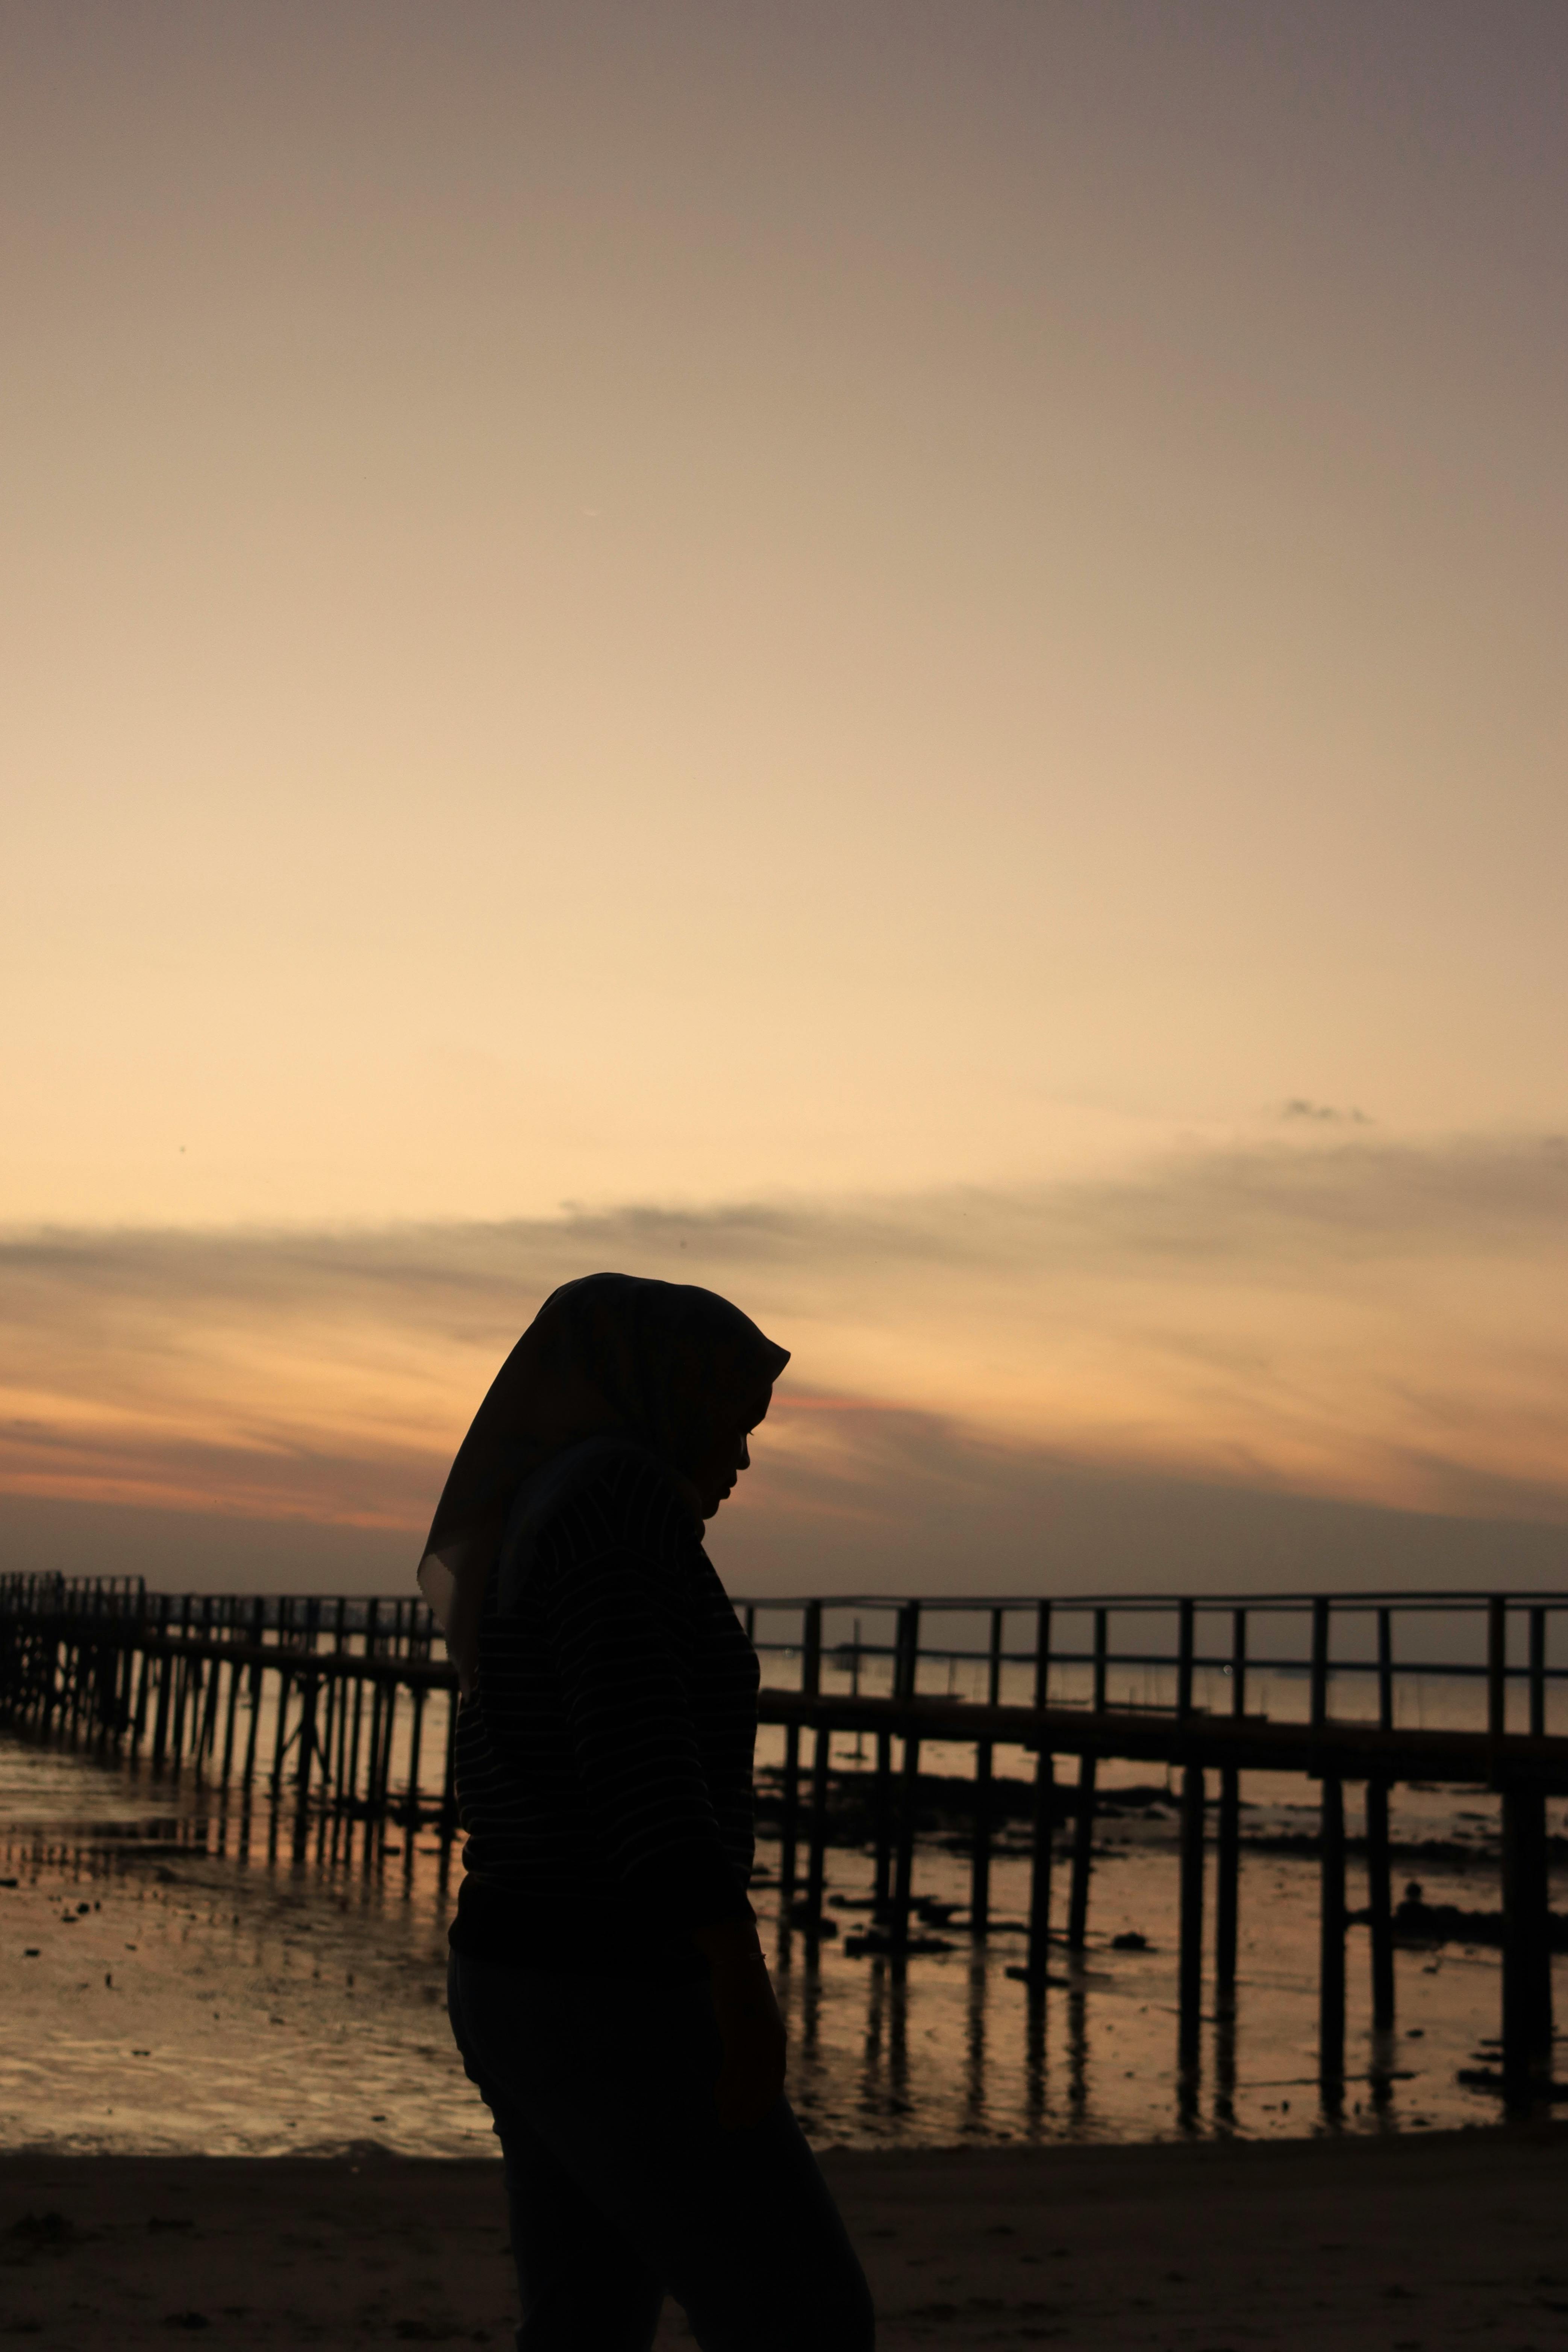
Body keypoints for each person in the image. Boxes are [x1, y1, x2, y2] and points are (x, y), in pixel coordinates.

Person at [418, 1271, 874, 2352]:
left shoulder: (542, 1503)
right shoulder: (615, 1504)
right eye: (729, 1420)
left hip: (515, 1967)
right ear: (656, 1394)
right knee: (804, 2319)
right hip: (610, 1987)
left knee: (585, 2326)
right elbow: (643, 1774)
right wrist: (740, 1983)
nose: (741, 1459)